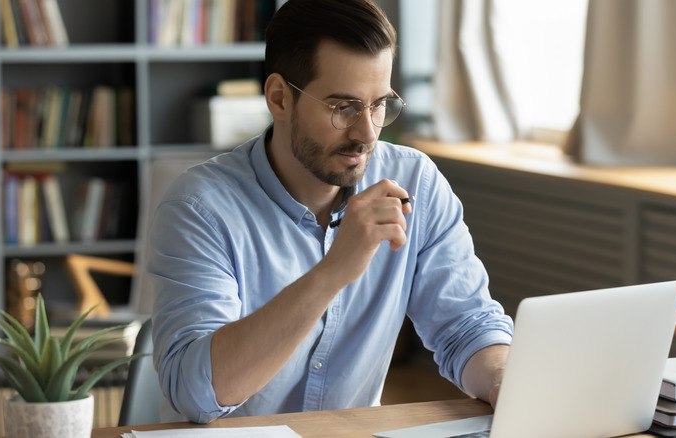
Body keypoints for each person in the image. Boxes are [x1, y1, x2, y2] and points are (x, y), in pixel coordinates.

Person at [148, 0, 513, 423]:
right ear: (280, 98)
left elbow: (465, 326)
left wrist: (504, 379)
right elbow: (197, 394)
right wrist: (335, 268)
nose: (367, 132)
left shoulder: (417, 183)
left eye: (380, 104)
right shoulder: (199, 209)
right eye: (343, 107)